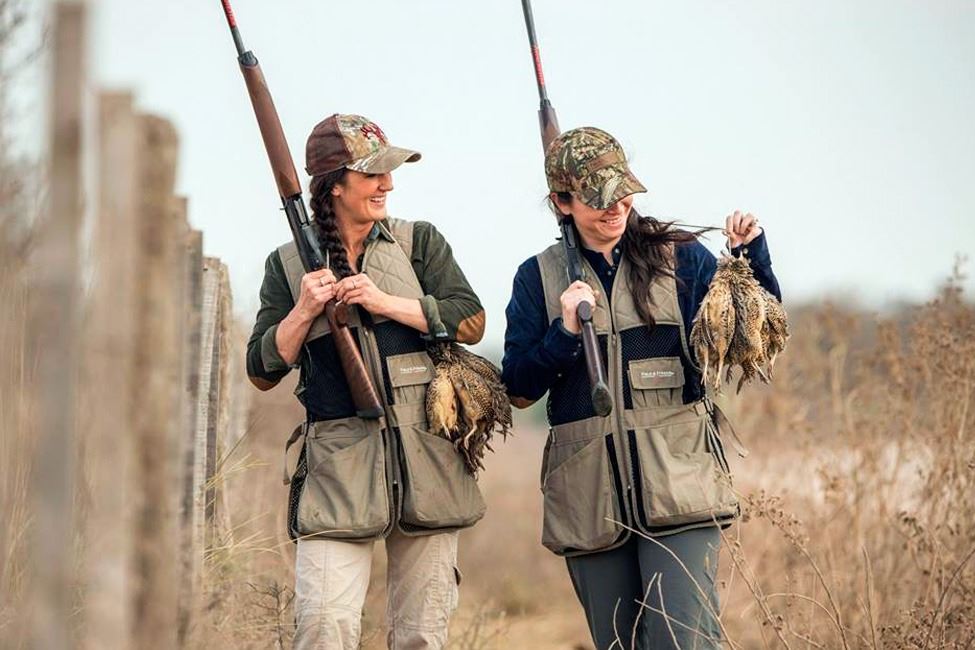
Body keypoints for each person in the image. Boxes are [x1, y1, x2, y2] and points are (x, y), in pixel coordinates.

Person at [501, 127, 781, 649]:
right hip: (588, 499)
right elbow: (517, 389)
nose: (616, 208)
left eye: (623, 193)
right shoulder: (536, 278)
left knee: (682, 640)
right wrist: (565, 332)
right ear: (561, 202)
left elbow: (753, 339)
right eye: (597, 199)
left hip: (681, 486)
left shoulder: (682, 258)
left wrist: (749, 260)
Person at [246, 113, 487, 649]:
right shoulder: (285, 265)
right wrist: (303, 311)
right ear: (335, 185)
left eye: (388, 173)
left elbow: (471, 321)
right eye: (373, 174)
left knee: (421, 637)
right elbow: (261, 371)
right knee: (323, 627)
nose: (388, 184)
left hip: (427, 464)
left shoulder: (417, 242)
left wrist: (385, 302)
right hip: (337, 472)